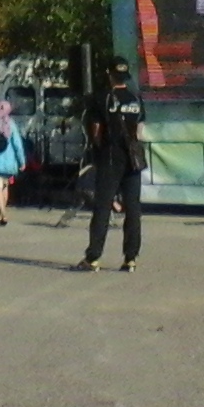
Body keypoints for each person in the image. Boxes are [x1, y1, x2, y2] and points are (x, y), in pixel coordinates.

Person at [74, 60, 146, 273]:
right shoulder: (136, 98)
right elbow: (140, 130)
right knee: (133, 208)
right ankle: (130, 258)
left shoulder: (102, 98)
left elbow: (95, 131)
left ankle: (94, 257)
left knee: (103, 206)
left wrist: (98, 152)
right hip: (133, 159)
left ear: (109, 74)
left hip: (110, 157)